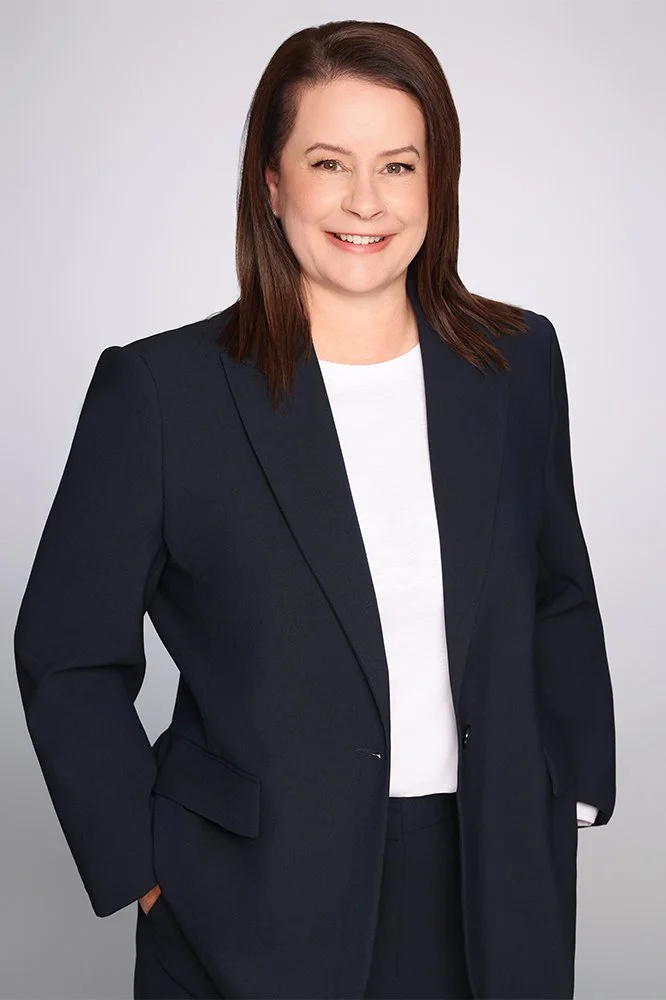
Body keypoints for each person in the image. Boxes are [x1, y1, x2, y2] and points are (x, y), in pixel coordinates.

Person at [13, 18, 616, 1000]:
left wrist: (575, 793)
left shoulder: (516, 364)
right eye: (329, 161)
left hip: (491, 881)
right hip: (245, 897)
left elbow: (557, 587)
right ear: (272, 180)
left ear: (438, 181)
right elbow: (67, 652)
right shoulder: (162, 391)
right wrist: (145, 869)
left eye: (399, 165)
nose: (365, 201)